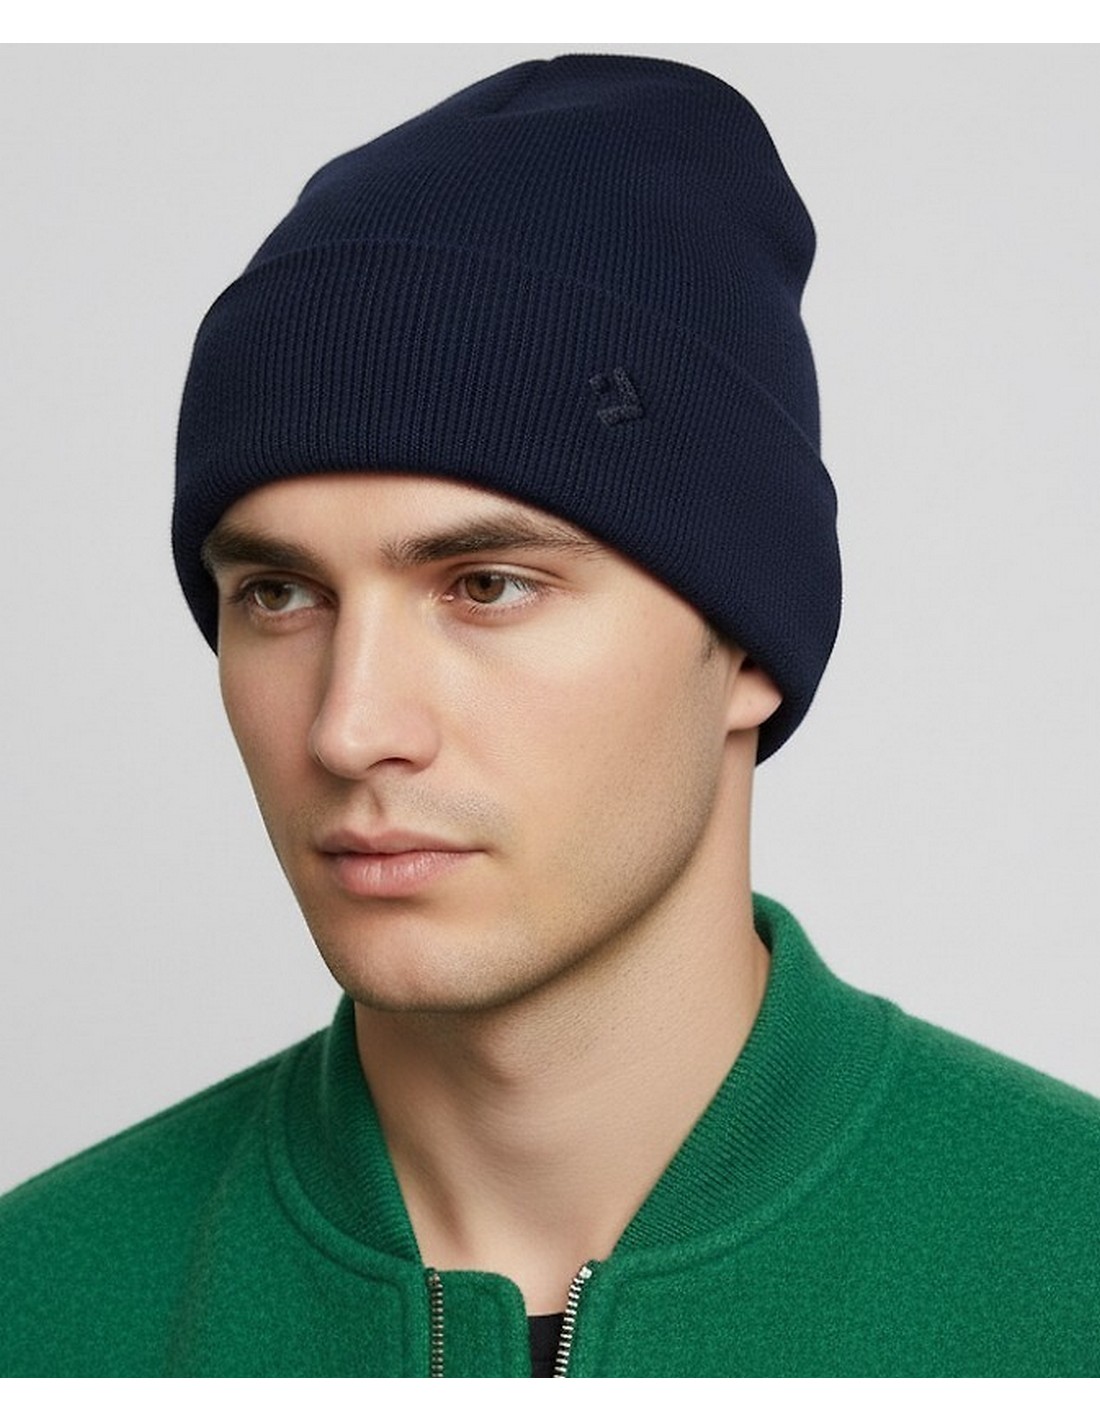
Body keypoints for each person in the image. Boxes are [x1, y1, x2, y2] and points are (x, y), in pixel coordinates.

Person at [1, 52, 1098, 1379]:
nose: (350, 727)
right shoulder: (40, 1308)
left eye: (488, 586)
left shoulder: (1066, 1276)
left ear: (750, 642)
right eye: (280, 593)